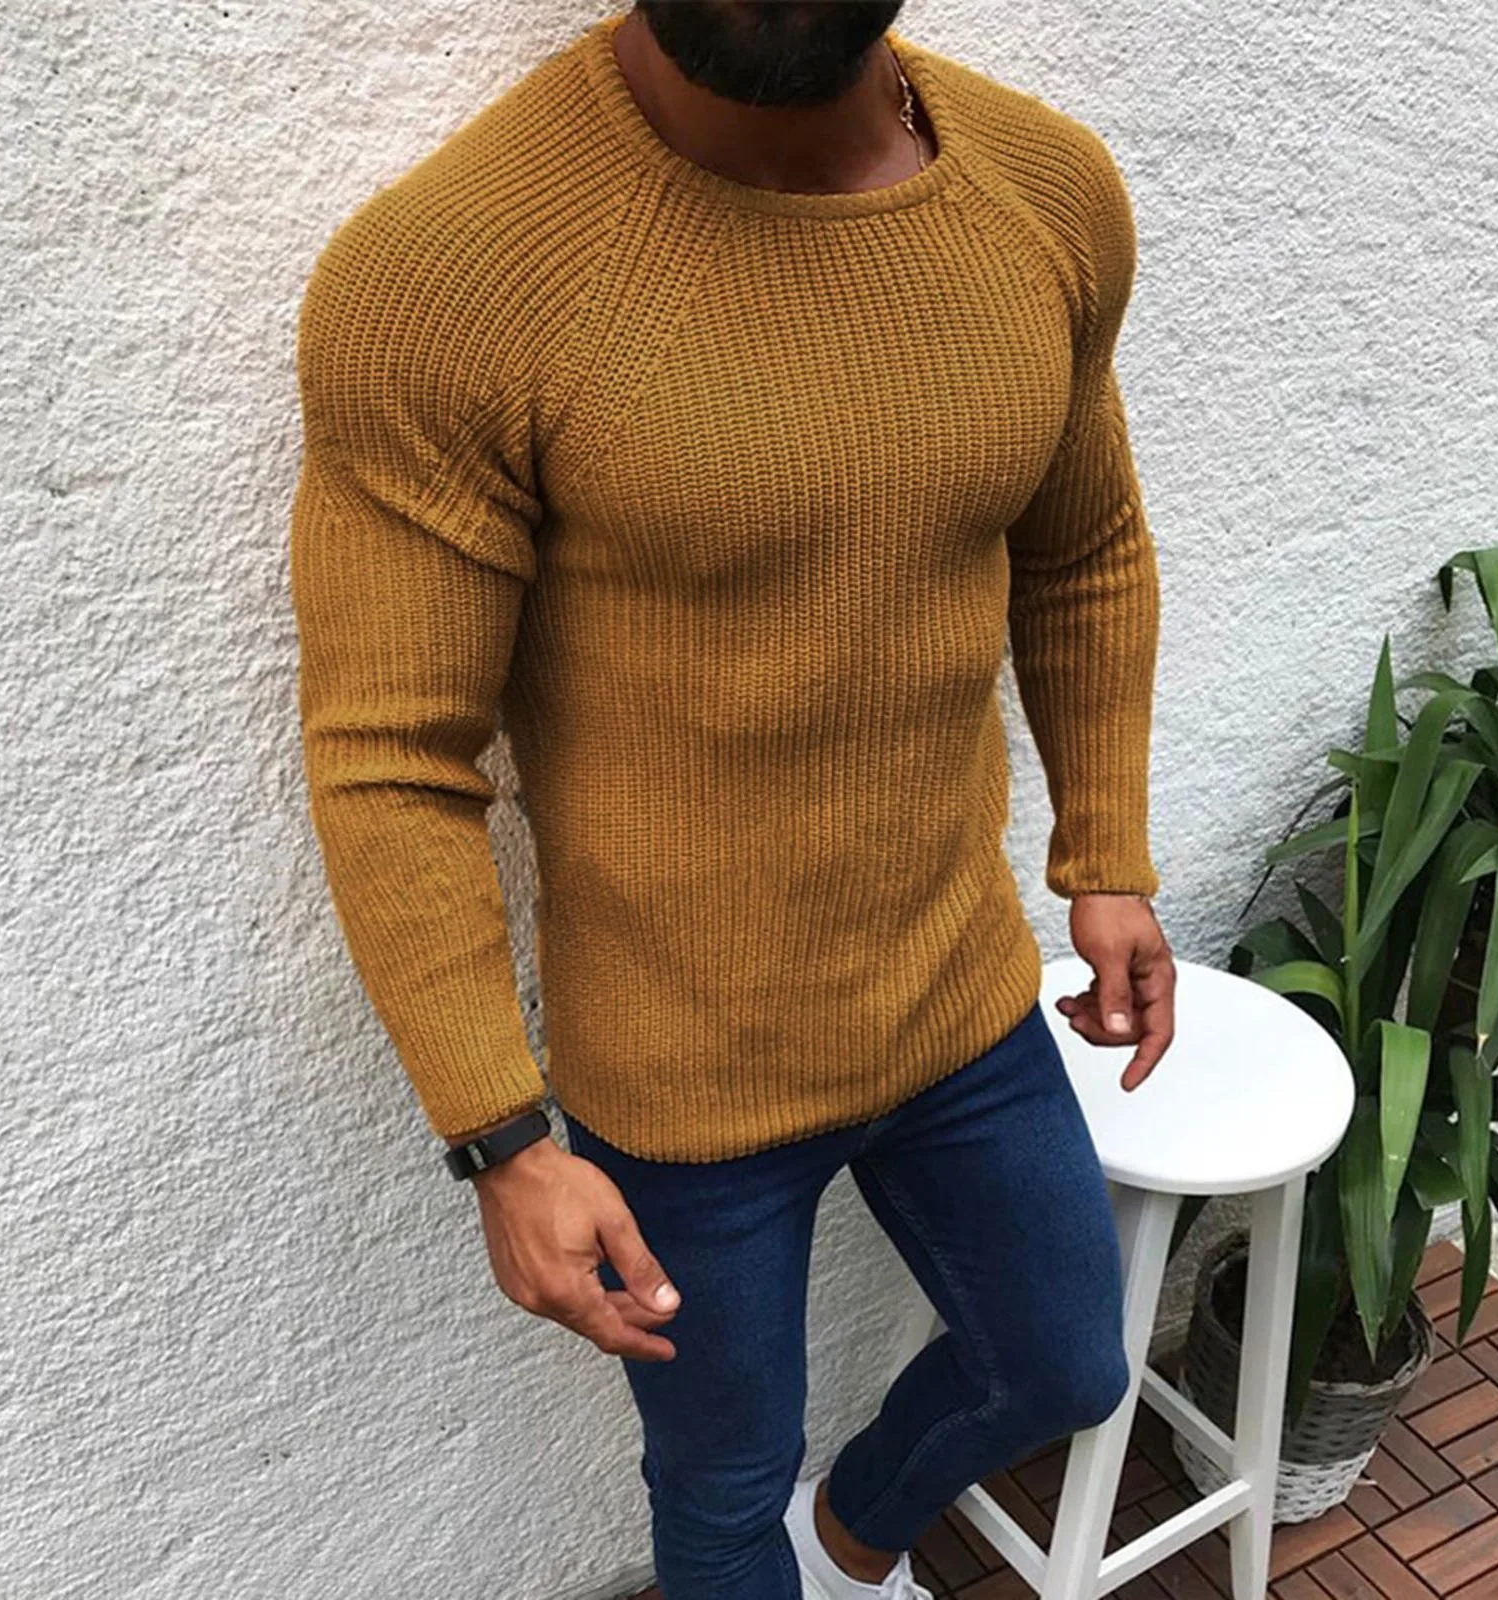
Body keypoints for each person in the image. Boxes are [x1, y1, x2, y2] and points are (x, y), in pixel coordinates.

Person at [288, 4, 1178, 1596]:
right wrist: (501, 1139)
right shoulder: (447, 276)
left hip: (958, 997)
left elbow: (1085, 549)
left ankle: (851, 1544)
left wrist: (1104, 850)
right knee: (718, 1492)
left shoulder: (1044, 192)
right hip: (681, 1083)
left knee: (1060, 1364)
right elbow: (392, 751)